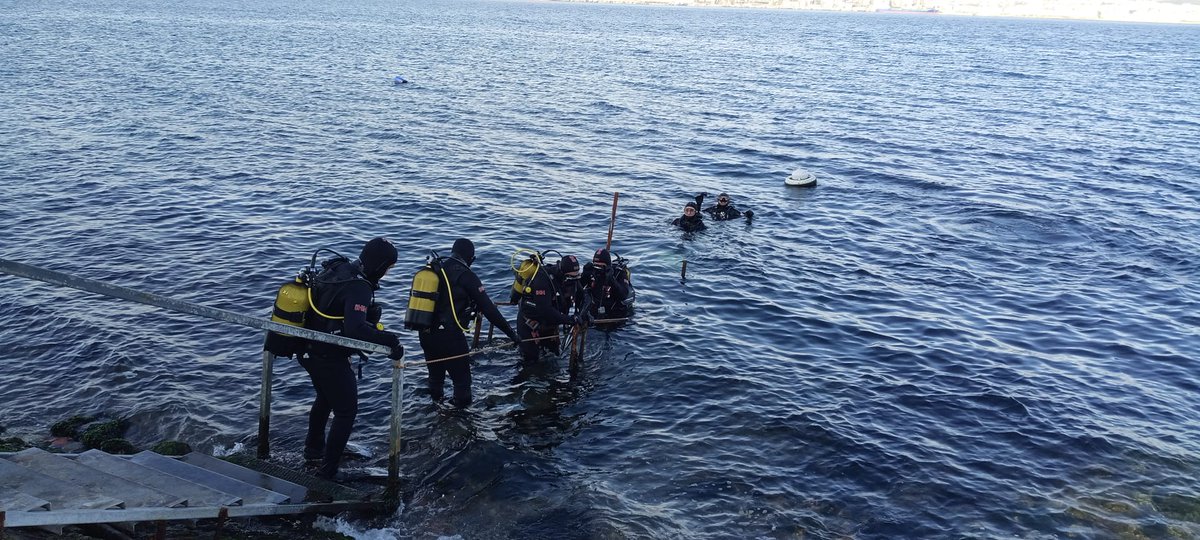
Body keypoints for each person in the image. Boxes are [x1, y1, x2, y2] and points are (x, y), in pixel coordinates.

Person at [299, 237, 406, 480]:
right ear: (380, 266)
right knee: (346, 411)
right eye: (388, 268)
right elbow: (355, 329)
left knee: (325, 399)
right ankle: (328, 471)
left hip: (307, 347)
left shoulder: (340, 268)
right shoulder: (359, 286)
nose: (388, 273)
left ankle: (314, 449)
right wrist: (391, 341)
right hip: (328, 354)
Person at [418, 238, 519, 407]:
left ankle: (435, 411)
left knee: (436, 379)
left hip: (426, 335)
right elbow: (490, 310)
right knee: (462, 384)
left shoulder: (435, 269)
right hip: (450, 338)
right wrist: (512, 334)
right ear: (471, 258)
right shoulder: (466, 275)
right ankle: (460, 423)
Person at [516, 254, 591, 362]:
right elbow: (546, 311)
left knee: (554, 357)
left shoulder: (572, 279)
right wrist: (570, 320)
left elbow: (584, 297)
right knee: (530, 362)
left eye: (576, 277)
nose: (573, 281)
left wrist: (584, 313)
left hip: (550, 327)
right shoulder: (543, 279)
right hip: (530, 325)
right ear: (562, 273)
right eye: (570, 278)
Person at [581, 248, 634, 321]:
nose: (598, 269)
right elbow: (578, 291)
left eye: (601, 266)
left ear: (608, 265)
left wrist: (611, 279)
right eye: (596, 266)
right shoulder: (593, 273)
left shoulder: (618, 273)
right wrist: (584, 276)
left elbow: (623, 295)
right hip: (595, 312)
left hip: (617, 315)